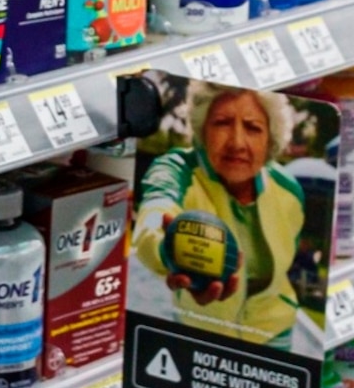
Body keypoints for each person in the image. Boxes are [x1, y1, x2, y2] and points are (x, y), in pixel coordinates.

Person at [131, 84, 313, 346]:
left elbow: (287, 260)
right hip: (199, 334)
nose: (237, 142)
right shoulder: (176, 169)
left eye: (253, 128)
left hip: (276, 336)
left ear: (269, 140)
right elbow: (153, 213)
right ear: (203, 130)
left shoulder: (290, 191)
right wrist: (164, 250)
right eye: (222, 123)